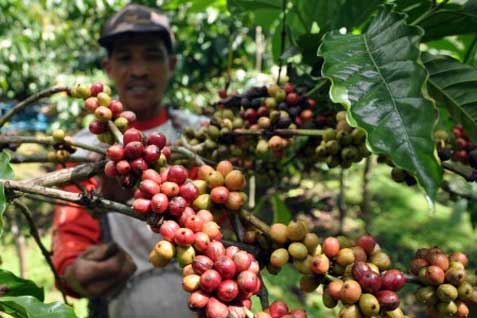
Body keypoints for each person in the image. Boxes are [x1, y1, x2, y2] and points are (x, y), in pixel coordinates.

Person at [51, 4, 202, 318]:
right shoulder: (82, 149)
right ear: (107, 68)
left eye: (152, 55)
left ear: (171, 64)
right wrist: (77, 272)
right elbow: (70, 240)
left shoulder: (197, 137)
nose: (139, 70)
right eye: (125, 58)